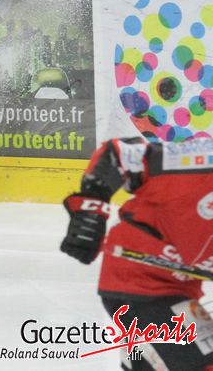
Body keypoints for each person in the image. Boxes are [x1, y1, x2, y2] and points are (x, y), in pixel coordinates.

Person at [59, 136, 213, 370]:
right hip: (138, 282)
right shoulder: (198, 161)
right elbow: (117, 154)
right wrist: (91, 213)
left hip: (177, 289)